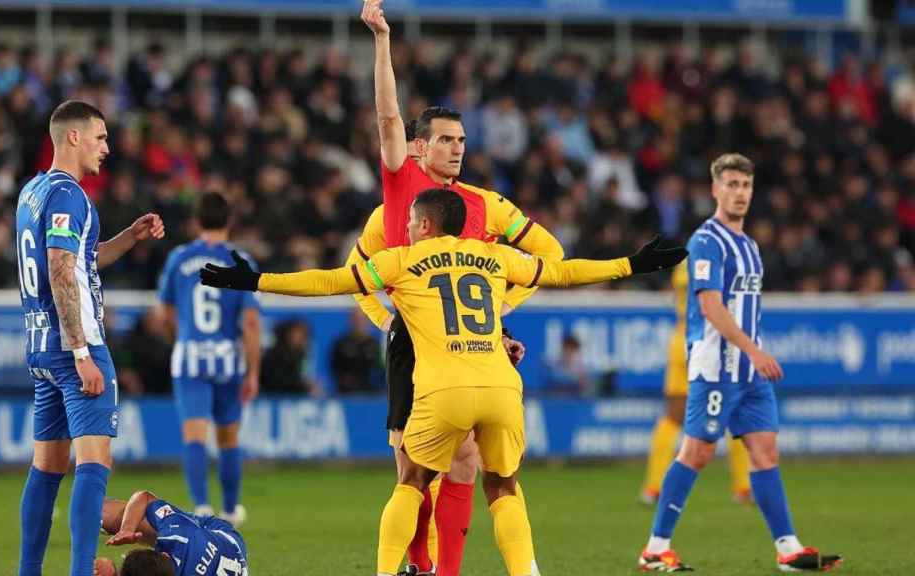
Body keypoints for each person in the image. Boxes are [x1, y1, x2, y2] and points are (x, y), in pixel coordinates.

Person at [199, 187, 686, 576]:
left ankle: (388, 573)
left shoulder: (402, 262)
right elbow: (562, 272)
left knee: (412, 481)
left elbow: (328, 281)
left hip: (442, 391)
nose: (406, 227)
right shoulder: (493, 258)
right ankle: (528, 571)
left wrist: (256, 281)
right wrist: (632, 264)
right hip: (499, 387)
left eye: (411, 220)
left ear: (426, 225)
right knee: (503, 487)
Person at [359, 1, 569, 570]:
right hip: (412, 339)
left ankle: (443, 570)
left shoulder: (481, 206)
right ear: (420, 145)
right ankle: (420, 565)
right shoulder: (400, 187)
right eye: (446, 139)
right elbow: (386, 118)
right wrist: (382, 41)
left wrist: (501, 312)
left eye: (461, 140)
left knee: (465, 463)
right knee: (412, 469)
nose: (456, 148)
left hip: (470, 342)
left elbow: (547, 255)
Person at [637, 154, 842, 573]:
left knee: (765, 451)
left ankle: (788, 549)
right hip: (716, 367)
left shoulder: (749, 246)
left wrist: (752, 354)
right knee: (695, 452)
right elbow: (710, 306)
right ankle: (655, 548)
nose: (740, 193)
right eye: (731, 184)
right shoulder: (706, 241)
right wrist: (754, 350)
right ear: (715, 190)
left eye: (746, 185)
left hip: (749, 372)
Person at [15, 100, 165, 576]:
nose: (108, 147)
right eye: (100, 138)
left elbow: (80, 258)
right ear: (74, 137)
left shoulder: (33, 191)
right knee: (94, 464)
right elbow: (61, 269)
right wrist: (82, 351)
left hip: (40, 345)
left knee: (47, 466)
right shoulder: (69, 195)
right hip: (72, 344)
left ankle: (29, 571)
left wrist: (128, 237)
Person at [157, 191, 261, 527]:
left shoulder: (179, 258)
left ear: (196, 222)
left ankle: (201, 507)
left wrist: (182, 341)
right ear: (230, 221)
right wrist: (253, 371)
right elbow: (250, 322)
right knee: (229, 438)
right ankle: (230, 510)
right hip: (228, 359)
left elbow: (166, 314)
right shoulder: (241, 261)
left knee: (194, 434)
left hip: (190, 358)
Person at [639, 260, 753, 506]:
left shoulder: (684, 264)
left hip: (682, 339)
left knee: (673, 416)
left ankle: (653, 487)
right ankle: (744, 486)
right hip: (711, 341)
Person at [97, 489, 248, 576]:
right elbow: (145, 498)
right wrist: (127, 529)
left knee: (102, 511)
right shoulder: (179, 534)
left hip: (220, 553)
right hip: (227, 541)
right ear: (165, 555)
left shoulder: (178, 536)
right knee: (106, 513)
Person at [331, 309, 384, 394]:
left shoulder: (375, 344)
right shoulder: (342, 344)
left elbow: (382, 369)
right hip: (347, 392)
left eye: (362, 320)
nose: (359, 323)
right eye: (356, 320)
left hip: (371, 391)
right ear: (351, 321)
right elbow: (334, 367)